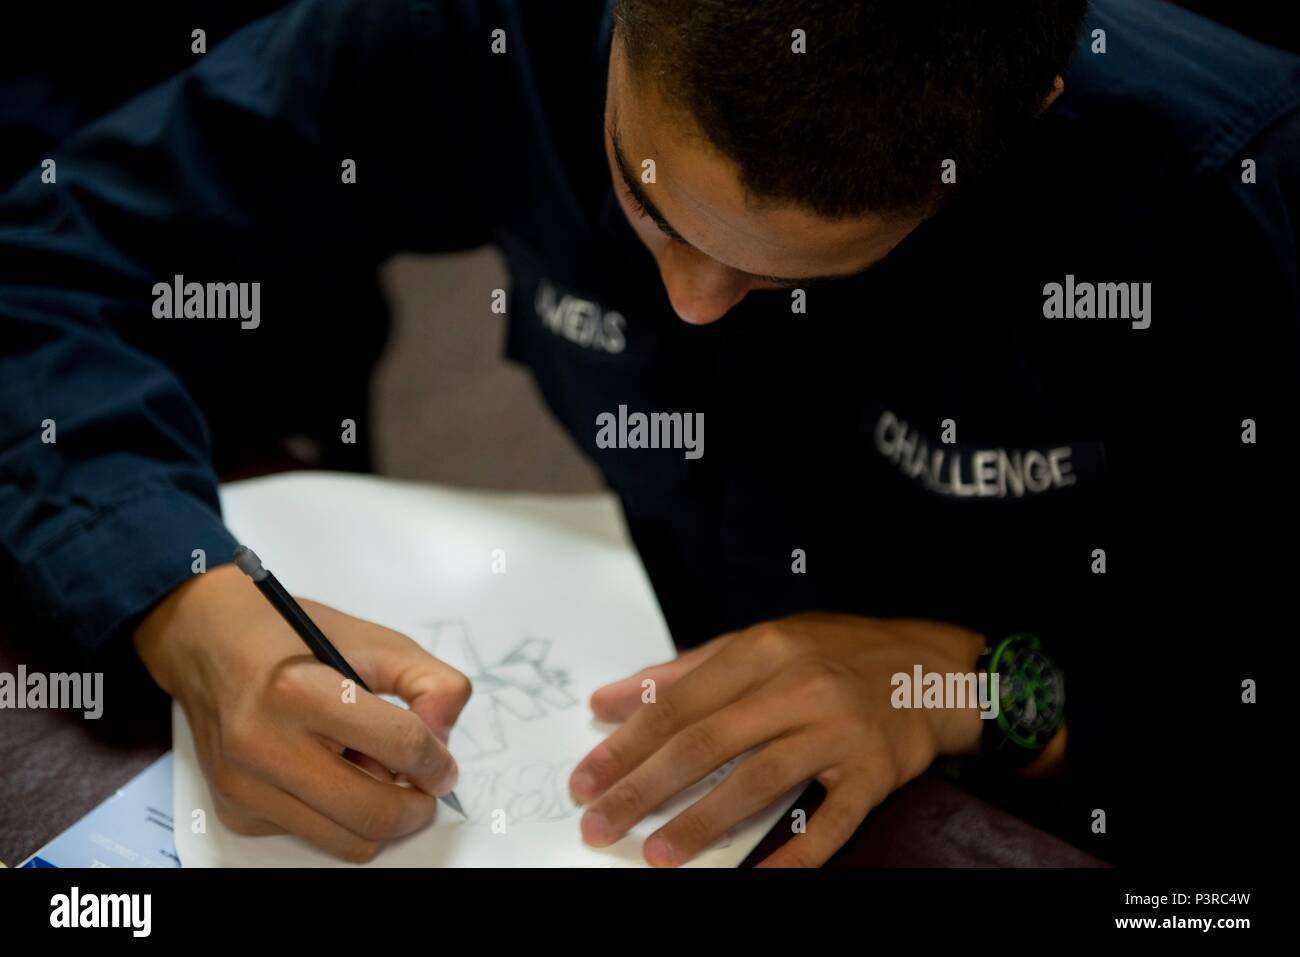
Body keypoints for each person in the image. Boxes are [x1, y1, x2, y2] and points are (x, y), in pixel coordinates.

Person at [1, 0, 1294, 866]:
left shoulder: (1229, 197)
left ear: (1020, 123)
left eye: (795, 276)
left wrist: (968, 683)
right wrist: (179, 599)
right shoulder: (490, 31)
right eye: (648, 208)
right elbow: (48, 265)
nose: (690, 302)